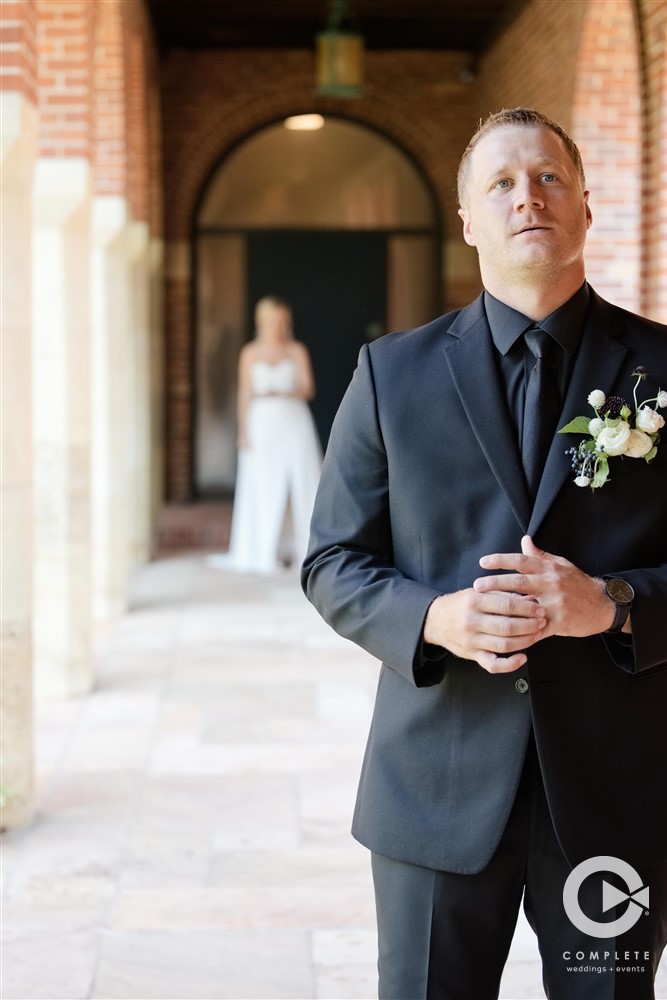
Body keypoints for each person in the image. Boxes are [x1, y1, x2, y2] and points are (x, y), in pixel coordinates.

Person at [302, 108, 667, 999]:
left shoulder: (664, 370)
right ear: (467, 220)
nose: (526, 197)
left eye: (546, 177)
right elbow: (331, 561)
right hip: (433, 786)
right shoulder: (390, 374)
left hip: (615, 793)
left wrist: (614, 604)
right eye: (499, 183)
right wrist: (435, 619)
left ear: (586, 203)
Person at [209, 295, 321, 575]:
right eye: (273, 321)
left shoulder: (297, 350)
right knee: (263, 484)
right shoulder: (249, 352)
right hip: (262, 424)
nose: (279, 326)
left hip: (294, 421)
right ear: (262, 323)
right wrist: (243, 432)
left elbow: (308, 389)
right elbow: (244, 394)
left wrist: (283, 393)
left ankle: (306, 550)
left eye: (283, 321)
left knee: (304, 482)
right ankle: (263, 549)